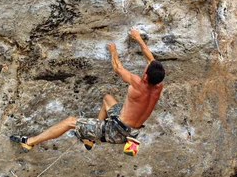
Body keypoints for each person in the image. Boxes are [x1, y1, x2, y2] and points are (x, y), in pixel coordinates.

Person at [10, 27, 165, 152]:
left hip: (115, 131)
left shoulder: (138, 84)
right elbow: (151, 59)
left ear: (145, 76)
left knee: (69, 122)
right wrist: (138, 38)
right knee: (107, 98)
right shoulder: (158, 84)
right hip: (131, 130)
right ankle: (91, 135)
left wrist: (113, 52)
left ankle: (29, 142)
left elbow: (118, 68)